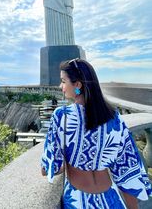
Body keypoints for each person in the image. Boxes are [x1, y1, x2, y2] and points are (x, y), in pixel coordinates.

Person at [41, 58, 152, 208]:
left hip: (78, 200)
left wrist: (69, 162)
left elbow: (48, 168)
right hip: (112, 199)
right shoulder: (114, 117)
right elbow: (127, 169)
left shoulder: (61, 115)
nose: (61, 86)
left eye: (63, 81)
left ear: (78, 85)